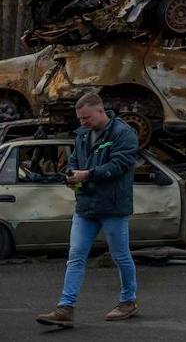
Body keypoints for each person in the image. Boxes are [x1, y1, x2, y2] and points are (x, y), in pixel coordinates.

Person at [35, 91, 141, 328]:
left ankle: (128, 301)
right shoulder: (82, 135)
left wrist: (88, 174)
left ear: (101, 111)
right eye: (80, 119)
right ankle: (65, 308)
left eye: (86, 118)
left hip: (113, 207)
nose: (82, 123)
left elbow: (120, 165)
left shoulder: (123, 134)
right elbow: (74, 161)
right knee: (75, 255)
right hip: (86, 206)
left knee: (120, 256)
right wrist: (71, 174)